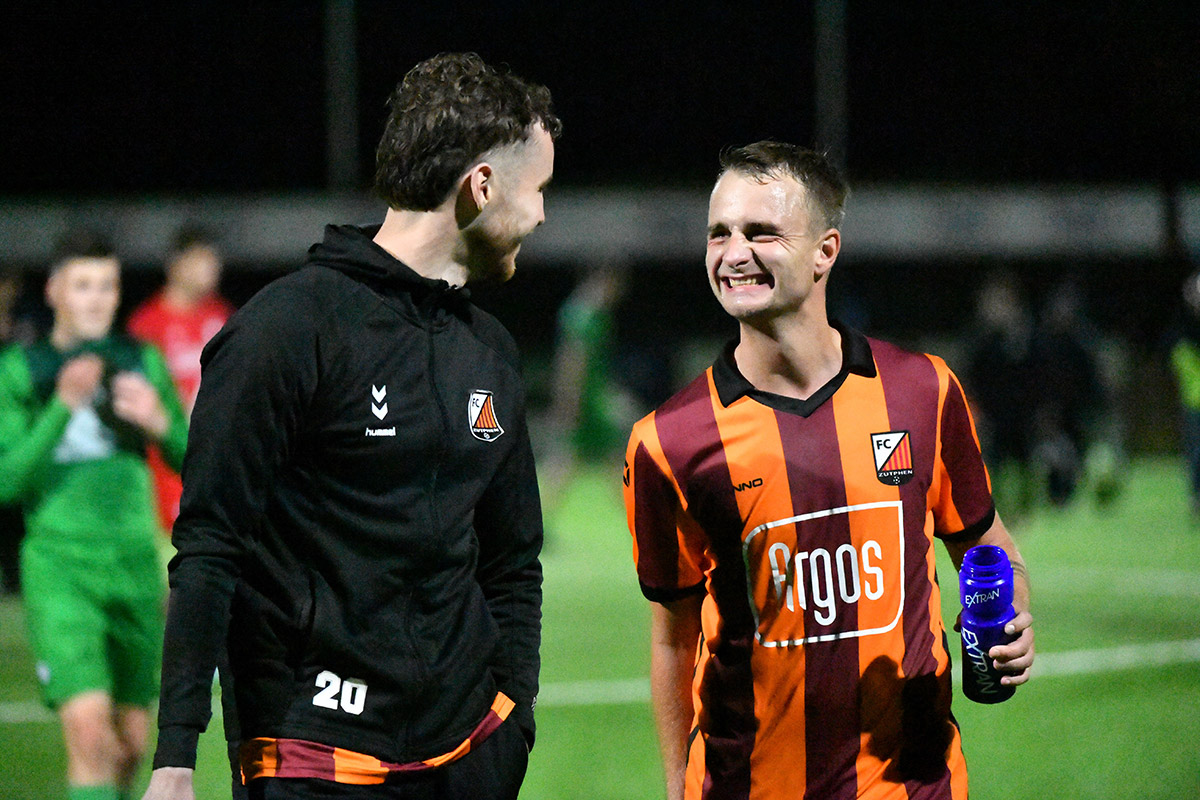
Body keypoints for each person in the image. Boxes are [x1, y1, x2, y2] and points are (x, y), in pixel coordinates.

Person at [142, 52, 559, 800]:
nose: (541, 215)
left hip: (471, 752)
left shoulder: (490, 351)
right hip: (313, 758)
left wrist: (512, 718)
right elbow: (210, 545)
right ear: (482, 186)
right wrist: (176, 756)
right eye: (539, 190)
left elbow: (512, 559)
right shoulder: (285, 330)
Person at [622, 142, 1035, 800]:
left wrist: (1012, 622)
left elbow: (987, 545)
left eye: (761, 232)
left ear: (825, 251)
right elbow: (673, 638)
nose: (733, 253)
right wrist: (677, 786)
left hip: (912, 785)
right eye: (719, 233)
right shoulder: (667, 442)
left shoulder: (922, 391)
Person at [0, 231, 189, 800]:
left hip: (134, 566)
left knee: (130, 744)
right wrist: (62, 406)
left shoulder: (140, 359)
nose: (97, 299)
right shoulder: (21, 368)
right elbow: (7, 481)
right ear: (54, 291)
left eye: (107, 285)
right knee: (89, 736)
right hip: (61, 568)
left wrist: (160, 423)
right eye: (83, 285)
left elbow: (195, 460)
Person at [127, 224, 235, 528]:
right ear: (176, 264)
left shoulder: (223, 316)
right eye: (203, 258)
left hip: (216, 466)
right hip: (165, 472)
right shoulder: (147, 325)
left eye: (214, 259)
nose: (213, 268)